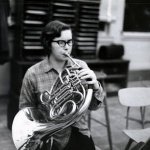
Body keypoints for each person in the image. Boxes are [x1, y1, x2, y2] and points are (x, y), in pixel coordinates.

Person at [19, 20, 104, 150]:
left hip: (78, 132)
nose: (67, 47)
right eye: (61, 42)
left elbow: (94, 106)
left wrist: (95, 86)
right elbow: (25, 114)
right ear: (48, 43)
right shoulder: (33, 74)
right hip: (48, 138)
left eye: (69, 42)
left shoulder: (81, 66)